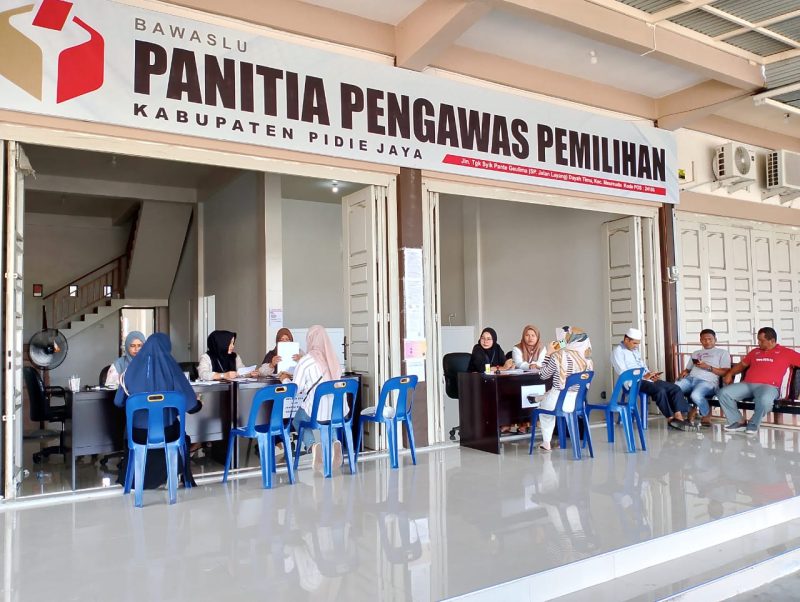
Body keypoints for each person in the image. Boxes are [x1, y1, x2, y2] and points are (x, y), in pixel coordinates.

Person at [113, 333, 201, 488]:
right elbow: (192, 407)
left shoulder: (129, 371)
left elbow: (118, 402)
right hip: (167, 433)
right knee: (184, 437)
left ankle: (135, 479)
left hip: (137, 435)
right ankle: (177, 476)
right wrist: (198, 402)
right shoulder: (173, 370)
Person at [280, 325, 344, 472]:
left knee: (296, 417)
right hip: (335, 413)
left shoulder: (306, 361)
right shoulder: (333, 360)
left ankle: (312, 446)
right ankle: (335, 442)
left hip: (314, 414)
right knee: (329, 415)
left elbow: (295, 390)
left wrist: (284, 379)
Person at [719, 327, 800, 436]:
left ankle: (753, 423)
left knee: (765, 400)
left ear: (772, 341)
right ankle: (738, 422)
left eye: (761, 340)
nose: (758, 343)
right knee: (723, 393)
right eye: (758, 340)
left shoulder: (786, 352)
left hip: (769, 387)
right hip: (747, 385)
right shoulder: (755, 352)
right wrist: (730, 373)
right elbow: (742, 365)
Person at [611, 327, 695, 431]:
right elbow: (623, 373)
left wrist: (650, 374)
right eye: (635, 343)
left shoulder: (635, 350)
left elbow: (642, 366)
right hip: (632, 382)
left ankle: (679, 417)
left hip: (646, 380)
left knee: (675, 388)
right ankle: (670, 419)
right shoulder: (618, 352)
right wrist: (643, 377)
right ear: (626, 340)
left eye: (638, 343)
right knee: (660, 391)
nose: (636, 346)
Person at [536, 327, 593, 451]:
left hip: (558, 402)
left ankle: (546, 443)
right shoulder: (588, 361)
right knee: (547, 398)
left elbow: (542, 375)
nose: (560, 342)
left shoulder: (559, 356)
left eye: (563, 340)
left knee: (542, 409)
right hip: (577, 404)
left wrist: (548, 353)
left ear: (568, 340)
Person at [674, 329, 731, 427]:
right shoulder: (696, 353)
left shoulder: (722, 353)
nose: (707, 341)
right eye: (704, 339)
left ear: (715, 339)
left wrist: (708, 367)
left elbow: (725, 372)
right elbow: (687, 370)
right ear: (700, 340)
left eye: (710, 339)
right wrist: (684, 373)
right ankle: (689, 409)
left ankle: (705, 414)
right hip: (690, 379)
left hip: (707, 382)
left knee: (695, 395)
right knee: (674, 388)